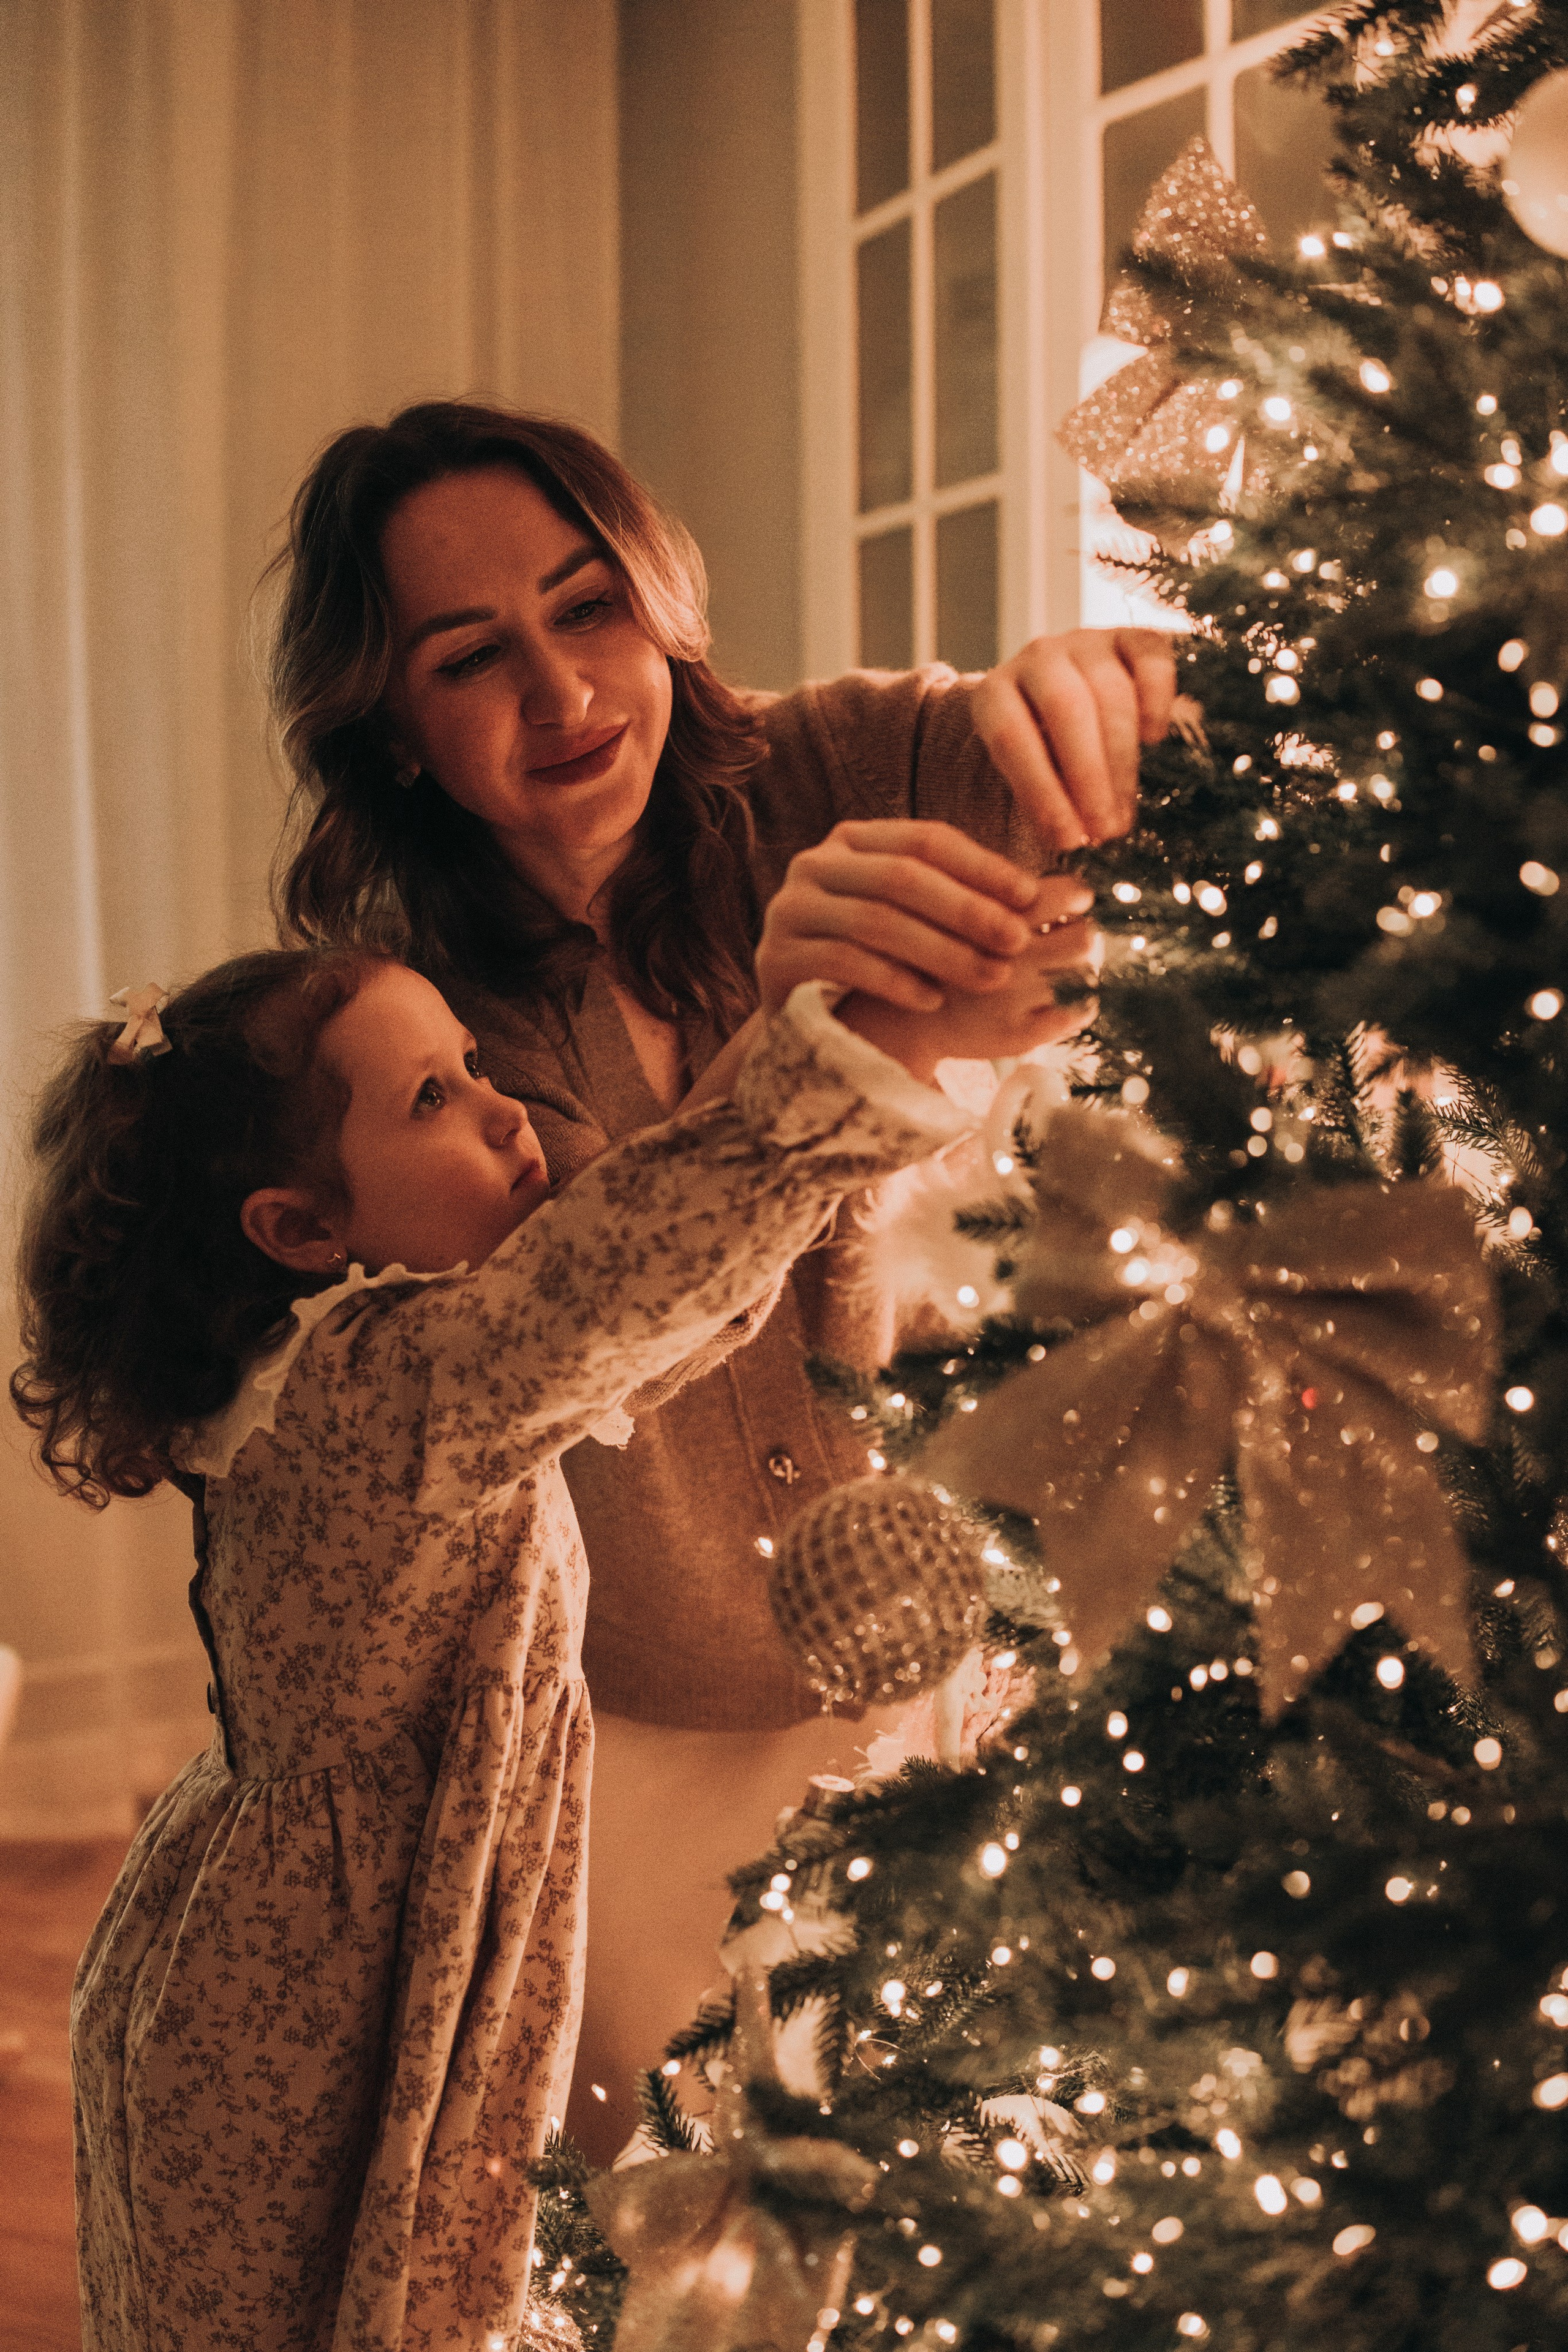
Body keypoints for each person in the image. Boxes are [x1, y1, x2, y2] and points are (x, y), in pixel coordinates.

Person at [266, 399, 1178, 2161]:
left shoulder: (827, 767)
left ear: (662, 602)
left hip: (940, 1663)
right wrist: (812, 1062)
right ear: (389, 731)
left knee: (978, 2185)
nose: (566, 692)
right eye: (474, 657)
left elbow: (1130, 772)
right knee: (698, 2230)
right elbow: (578, 1321)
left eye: (590, 607)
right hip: (643, 1732)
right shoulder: (405, 1035)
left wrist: (1118, 684)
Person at [10, 934, 1078, 2352]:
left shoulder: (363, 1365)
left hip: (276, 1918)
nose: (500, 1107)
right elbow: (605, 1288)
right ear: (299, 1230)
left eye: (468, 1062)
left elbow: (624, 1334)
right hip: (315, 1986)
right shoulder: (382, 1381)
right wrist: (838, 1068)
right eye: (429, 1102)